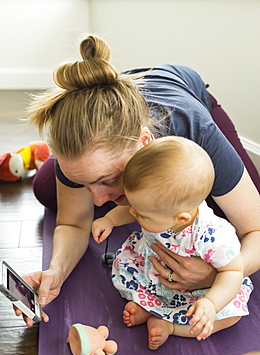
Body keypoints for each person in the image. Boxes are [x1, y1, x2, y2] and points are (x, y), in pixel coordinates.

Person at [14, 34, 259, 327]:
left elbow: (255, 230)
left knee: (224, 205)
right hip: (114, 103)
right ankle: (53, 160)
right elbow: (74, 223)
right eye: (85, 182)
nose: (97, 202)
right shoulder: (90, 154)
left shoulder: (196, 131)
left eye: (107, 179)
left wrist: (219, 275)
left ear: (143, 142)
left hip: (182, 88)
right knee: (44, 188)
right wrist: (56, 271)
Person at [92, 136, 253, 350]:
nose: (132, 212)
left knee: (231, 316)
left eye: (140, 214)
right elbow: (129, 210)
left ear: (180, 219)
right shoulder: (157, 206)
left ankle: (170, 326)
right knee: (134, 275)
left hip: (199, 291)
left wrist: (211, 304)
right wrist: (109, 219)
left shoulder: (213, 235)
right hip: (154, 271)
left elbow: (233, 272)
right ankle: (149, 307)